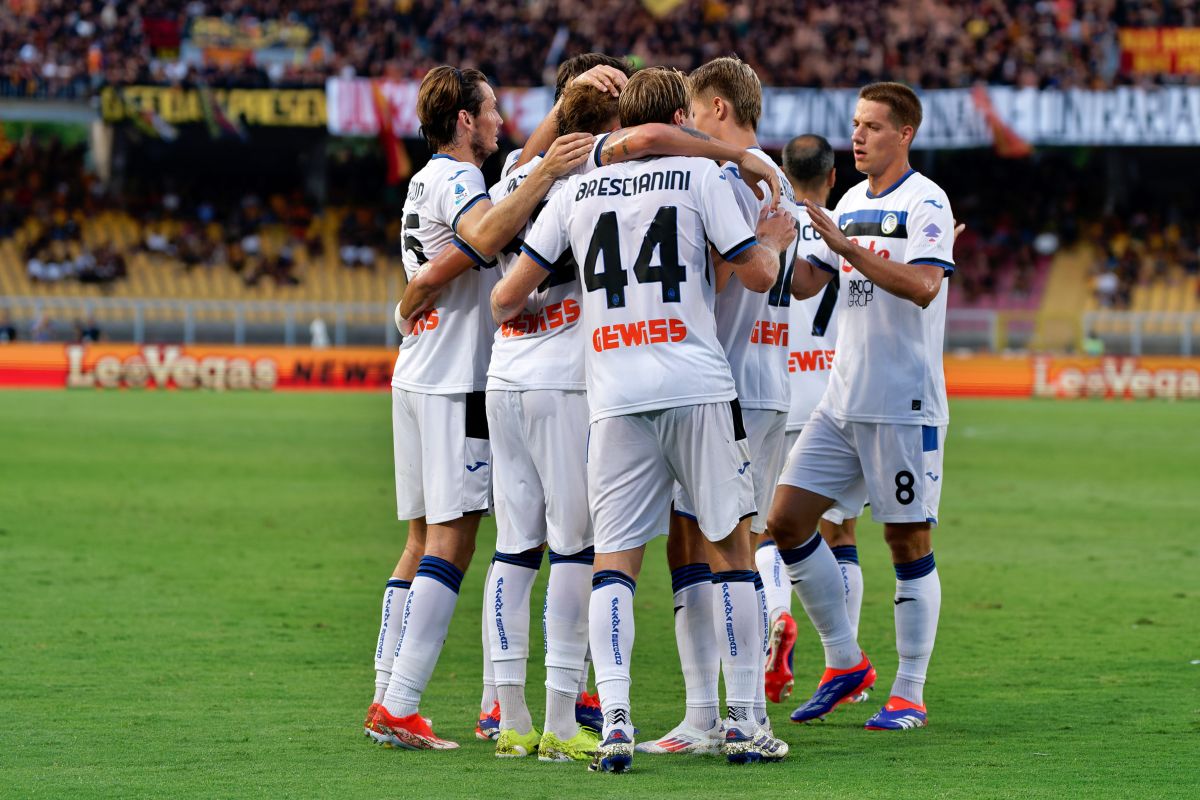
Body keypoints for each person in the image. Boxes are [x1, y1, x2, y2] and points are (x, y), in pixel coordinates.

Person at [492, 67, 796, 771]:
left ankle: (619, 721)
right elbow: (755, 274)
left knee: (614, 565)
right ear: (681, 121)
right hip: (694, 382)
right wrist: (772, 239)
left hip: (613, 393)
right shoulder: (700, 179)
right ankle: (746, 719)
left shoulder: (575, 188)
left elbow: (506, 296)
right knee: (729, 551)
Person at [363, 65, 595, 751]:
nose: (500, 122)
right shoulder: (462, 181)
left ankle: (386, 691)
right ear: (465, 121)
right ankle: (403, 703)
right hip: (458, 378)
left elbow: (514, 178)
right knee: (456, 542)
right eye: (491, 110)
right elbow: (489, 233)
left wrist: (554, 134)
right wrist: (547, 174)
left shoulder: (427, 177)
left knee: (419, 541)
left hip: (418, 371)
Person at [770, 82, 957, 731]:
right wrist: (767, 245)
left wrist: (850, 249)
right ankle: (846, 661)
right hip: (841, 400)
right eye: (855, 124)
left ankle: (909, 692)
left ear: (904, 134)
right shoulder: (847, 201)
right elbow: (804, 281)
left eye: (873, 126)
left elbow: (927, 286)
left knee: (906, 541)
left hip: (902, 402)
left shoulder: (925, 200)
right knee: (786, 523)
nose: (858, 136)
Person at [635, 56, 795, 758]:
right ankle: (706, 713)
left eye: (693, 114)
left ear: (719, 109)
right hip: (714, 379)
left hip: (731, 383)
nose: (684, 128)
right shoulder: (749, 169)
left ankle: (740, 714)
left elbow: (734, 264)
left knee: (727, 543)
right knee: (689, 541)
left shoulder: (736, 170)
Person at [760, 133, 869, 707]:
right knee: (840, 533)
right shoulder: (848, 228)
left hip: (776, 393)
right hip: (837, 401)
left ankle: (778, 616)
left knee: (764, 529)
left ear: (782, 171)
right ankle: (840, 663)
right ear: (832, 178)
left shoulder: (767, 224)